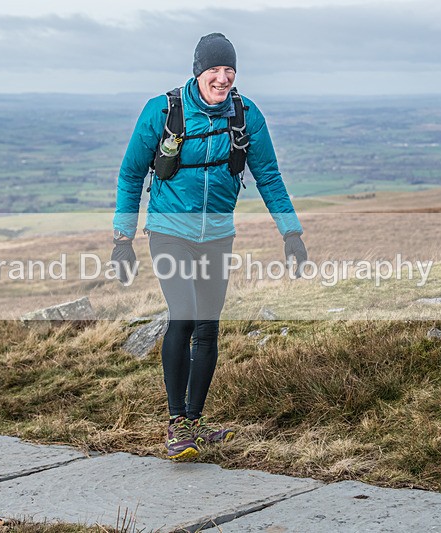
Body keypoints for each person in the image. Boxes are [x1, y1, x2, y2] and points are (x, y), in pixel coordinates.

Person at [112, 33, 307, 460]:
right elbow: (130, 175)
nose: (222, 79)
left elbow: (269, 177)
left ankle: (195, 423)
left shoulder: (246, 115)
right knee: (183, 316)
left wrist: (291, 234)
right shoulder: (162, 111)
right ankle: (177, 424)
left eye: (229, 71)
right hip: (169, 231)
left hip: (218, 235)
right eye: (214, 70)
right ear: (198, 71)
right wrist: (122, 239)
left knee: (208, 326)